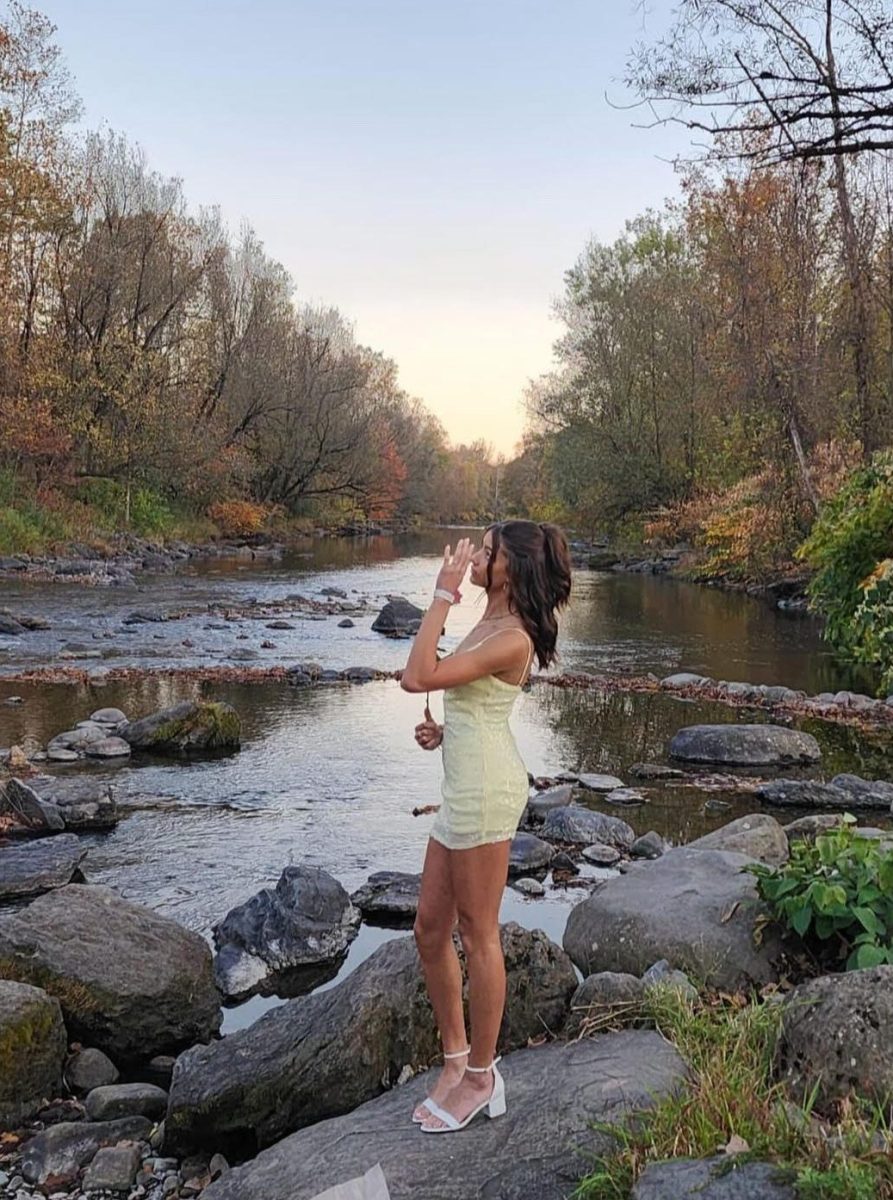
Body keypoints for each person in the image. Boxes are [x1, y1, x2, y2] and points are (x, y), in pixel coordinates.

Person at [400, 520, 572, 1134]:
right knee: (428, 928)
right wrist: (445, 732)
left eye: (489, 550)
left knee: (478, 935)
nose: (476, 554)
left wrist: (442, 592)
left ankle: (482, 1076)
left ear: (511, 568)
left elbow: (416, 675)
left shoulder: (514, 637)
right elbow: (480, 703)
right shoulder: (490, 624)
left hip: (485, 792)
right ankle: (453, 1060)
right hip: (461, 784)